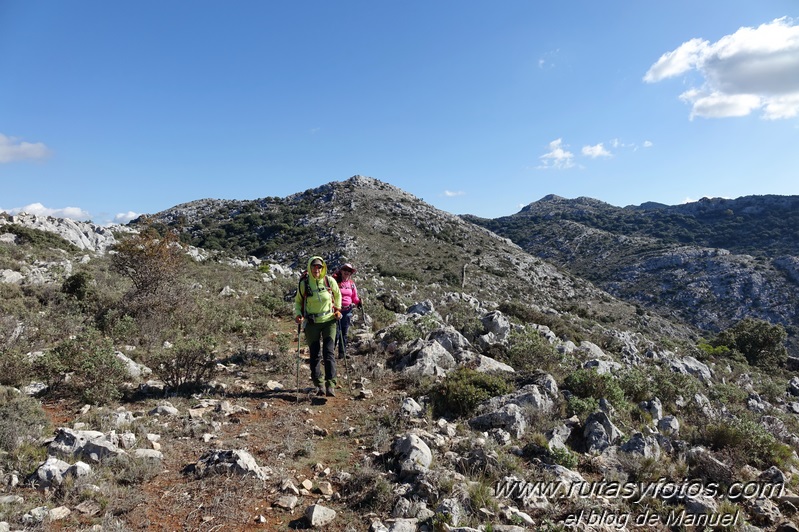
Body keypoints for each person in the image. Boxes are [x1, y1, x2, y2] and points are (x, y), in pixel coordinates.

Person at [294, 256, 342, 397]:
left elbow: (337, 294)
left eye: (319, 267)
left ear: (323, 268)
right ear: (310, 267)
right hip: (312, 323)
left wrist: (338, 309)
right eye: (314, 266)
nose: (317, 269)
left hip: (329, 321)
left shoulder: (329, 281)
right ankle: (319, 384)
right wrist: (298, 314)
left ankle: (330, 385)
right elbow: (298, 302)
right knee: (315, 354)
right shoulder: (304, 284)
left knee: (329, 353)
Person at [332, 263, 362, 359]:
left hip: (347, 311)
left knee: (344, 333)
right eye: (345, 270)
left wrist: (359, 303)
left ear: (350, 273)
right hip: (336, 310)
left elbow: (354, 297)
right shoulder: (335, 282)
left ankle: (342, 353)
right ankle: (330, 354)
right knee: (335, 333)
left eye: (349, 271)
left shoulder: (351, 284)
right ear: (341, 271)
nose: (346, 272)